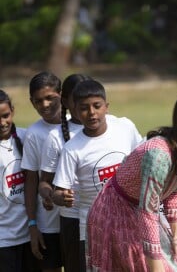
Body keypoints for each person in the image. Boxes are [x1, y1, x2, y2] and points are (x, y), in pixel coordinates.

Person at [86, 88, 177, 272]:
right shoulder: (159, 155)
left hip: (141, 212)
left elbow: (176, 192)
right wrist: (155, 263)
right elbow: (148, 210)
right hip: (115, 211)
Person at [52, 79, 142, 271]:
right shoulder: (71, 149)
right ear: (75, 111)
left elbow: (143, 162)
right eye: (84, 108)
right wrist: (61, 197)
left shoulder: (124, 127)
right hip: (94, 228)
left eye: (97, 106)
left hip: (130, 221)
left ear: (106, 107)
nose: (91, 113)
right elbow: (59, 190)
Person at [38, 74, 91, 272]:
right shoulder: (56, 136)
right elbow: (44, 182)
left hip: (107, 214)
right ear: (66, 101)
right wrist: (53, 195)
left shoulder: (114, 126)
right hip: (73, 218)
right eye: (78, 99)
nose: (84, 103)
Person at [21, 71, 63, 272]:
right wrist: (32, 224)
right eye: (38, 101)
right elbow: (30, 181)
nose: (45, 105)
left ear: (61, 95)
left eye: (50, 98)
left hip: (77, 219)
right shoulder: (33, 134)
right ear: (31, 102)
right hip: (49, 223)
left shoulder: (78, 124)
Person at [0, 89, 40, 272]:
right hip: (3, 240)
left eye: (6, 115)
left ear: (13, 111)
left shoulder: (27, 137)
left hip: (32, 234)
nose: (2, 123)